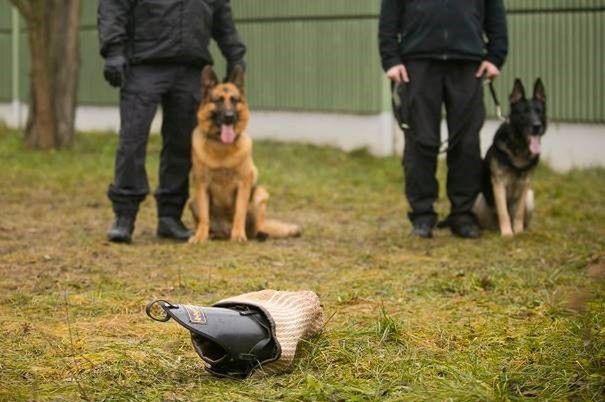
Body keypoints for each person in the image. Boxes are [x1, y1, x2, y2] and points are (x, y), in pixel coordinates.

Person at [98, 0, 246, 243]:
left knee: (181, 144)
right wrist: (114, 51)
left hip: (190, 68)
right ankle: (124, 216)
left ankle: (170, 216)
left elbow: (222, 15)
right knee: (132, 142)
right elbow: (114, 6)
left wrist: (235, 55)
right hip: (143, 65)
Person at [379, 0, 508, 239]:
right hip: (418, 62)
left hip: (468, 63)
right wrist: (391, 59)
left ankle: (463, 214)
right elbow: (389, 15)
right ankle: (422, 215)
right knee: (420, 140)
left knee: (467, 142)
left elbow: (495, 14)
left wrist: (495, 56)